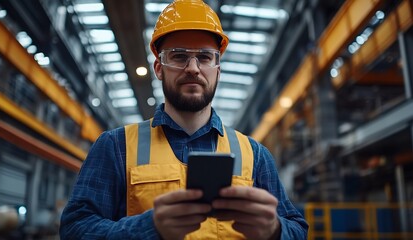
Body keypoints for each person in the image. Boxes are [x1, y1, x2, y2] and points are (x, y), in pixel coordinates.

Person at [59, 0, 308, 239]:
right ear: (159, 68)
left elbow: (297, 228)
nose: (192, 67)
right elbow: (75, 229)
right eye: (178, 56)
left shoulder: (255, 155)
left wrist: (275, 231)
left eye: (204, 57)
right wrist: (148, 228)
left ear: (217, 70)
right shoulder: (115, 147)